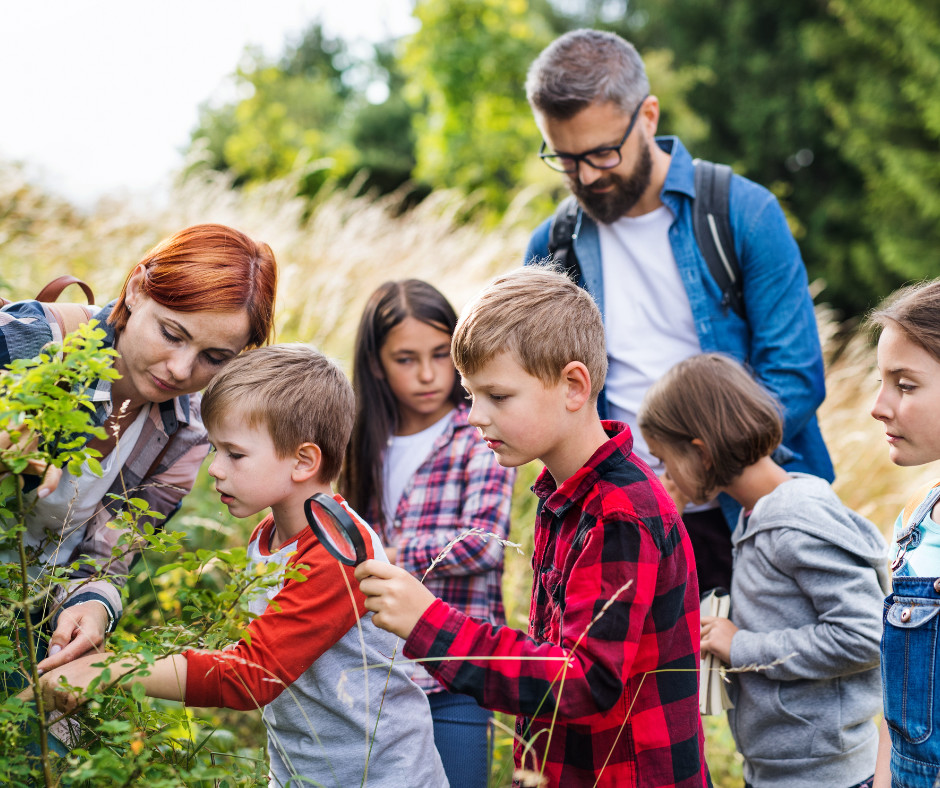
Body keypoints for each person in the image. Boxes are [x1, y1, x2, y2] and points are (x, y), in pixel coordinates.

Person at [355, 267, 710, 788]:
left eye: (498, 396)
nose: (475, 416)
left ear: (573, 386)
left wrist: (429, 624)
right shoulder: (564, 496)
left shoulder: (619, 513)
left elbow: (582, 680)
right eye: (471, 395)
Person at [32, 344, 448, 787]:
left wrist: (112, 669)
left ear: (303, 461)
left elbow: (252, 676)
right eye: (215, 449)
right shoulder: (267, 536)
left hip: (381, 777)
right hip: (301, 774)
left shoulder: (337, 550)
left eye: (235, 453)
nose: (215, 468)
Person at [523, 28, 833, 592]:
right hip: (619, 523)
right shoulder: (552, 246)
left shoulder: (743, 212)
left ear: (648, 116)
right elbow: (545, 394)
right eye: (565, 160)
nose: (586, 176)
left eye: (602, 153)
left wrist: (692, 472)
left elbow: (795, 376)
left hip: (755, 516)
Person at [0, 224, 277, 675]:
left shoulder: (187, 432)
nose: (181, 370)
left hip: (25, 627)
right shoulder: (31, 341)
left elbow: (106, 559)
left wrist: (93, 606)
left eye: (214, 357)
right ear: (135, 291)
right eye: (172, 334)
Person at [638, 353, 886, 788]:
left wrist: (743, 646)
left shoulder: (794, 523)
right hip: (780, 769)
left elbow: (866, 634)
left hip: (825, 776)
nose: (665, 474)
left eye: (664, 459)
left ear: (701, 453)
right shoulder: (756, 516)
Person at [341, 279, 514, 788]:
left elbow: (484, 543)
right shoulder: (360, 442)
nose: (428, 374)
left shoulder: (480, 432)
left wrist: (389, 556)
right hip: (379, 676)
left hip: (455, 672)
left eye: (441, 355)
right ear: (376, 364)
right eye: (406, 359)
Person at [869, 280, 940, 788]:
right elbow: (896, 715)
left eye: (906, 386)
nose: (878, 406)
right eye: (881, 381)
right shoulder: (915, 524)